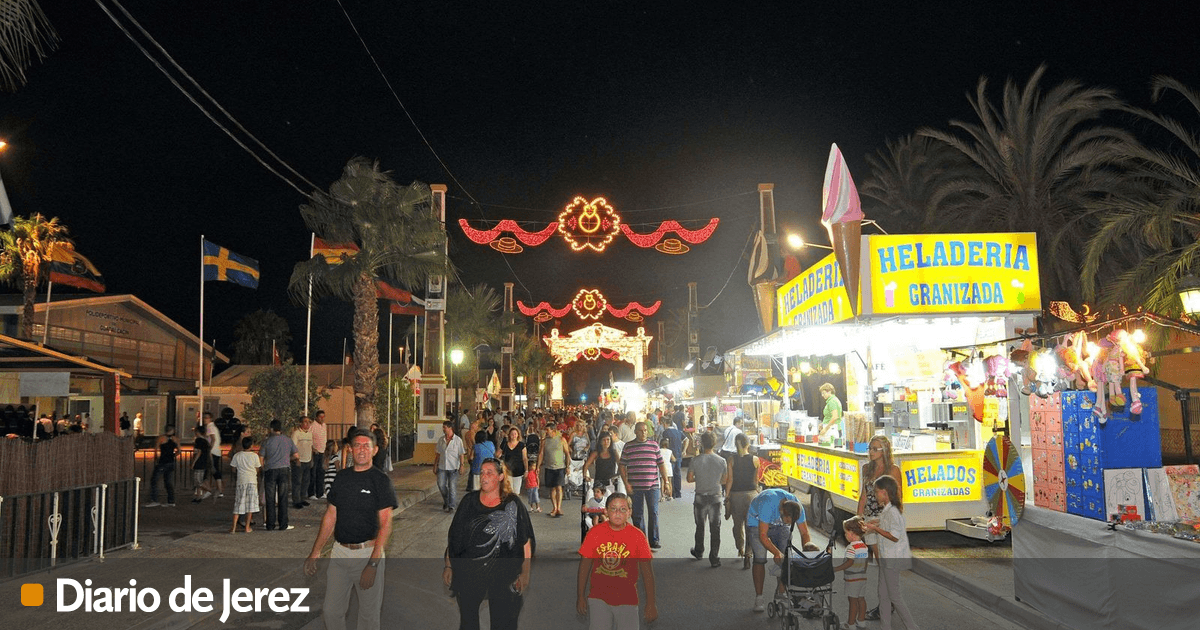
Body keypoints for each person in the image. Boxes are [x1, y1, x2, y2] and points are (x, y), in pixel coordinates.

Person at [305, 429, 399, 630]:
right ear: (350, 449)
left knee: (368, 616)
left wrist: (372, 565)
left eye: (367, 445)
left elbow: (385, 524)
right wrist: (316, 550)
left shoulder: (381, 481)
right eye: (357, 445)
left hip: (367, 553)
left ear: (375, 450)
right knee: (331, 611)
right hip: (340, 553)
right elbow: (331, 516)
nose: (362, 449)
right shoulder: (342, 478)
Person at [444, 458, 534, 630]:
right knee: (468, 622)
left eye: (489, 473)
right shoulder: (468, 502)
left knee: (503, 621)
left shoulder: (513, 504)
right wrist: (449, 565)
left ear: (500, 477)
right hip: (469, 572)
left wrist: (525, 573)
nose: (483, 476)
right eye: (482, 472)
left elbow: (525, 541)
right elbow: (455, 536)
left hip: (503, 574)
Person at [577, 493, 657, 629]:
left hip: (628, 599)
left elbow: (647, 571)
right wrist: (580, 596)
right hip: (598, 597)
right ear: (606, 511)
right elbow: (584, 566)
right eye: (613, 509)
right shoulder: (595, 534)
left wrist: (651, 603)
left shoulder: (638, 537)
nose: (618, 513)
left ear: (630, 512)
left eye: (623, 509)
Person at [863, 475, 919, 630]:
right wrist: (875, 523)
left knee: (894, 596)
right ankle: (885, 626)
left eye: (877, 492)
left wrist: (875, 528)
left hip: (892, 559)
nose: (875, 495)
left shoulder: (893, 512)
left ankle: (911, 626)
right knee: (883, 594)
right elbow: (885, 523)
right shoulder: (888, 510)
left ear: (885, 492)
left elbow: (894, 536)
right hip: (886, 558)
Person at [858, 435, 903, 621]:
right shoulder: (866, 469)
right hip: (870, 520)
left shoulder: (893, 470)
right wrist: (858, 518)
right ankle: (888, 602)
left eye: (875, 448)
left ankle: (888, 602)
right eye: (870, 448)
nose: (871, 452)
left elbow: (899, 498)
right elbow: (863, 495)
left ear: (884, 451)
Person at [746, 487, 810, 612]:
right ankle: (759, 597)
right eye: (789, 521)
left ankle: (781, 592)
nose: (791, 524)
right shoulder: (767, 504)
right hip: (757, 522)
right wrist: (776, 552)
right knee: (760, 558)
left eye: (793, 522)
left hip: (780, 526)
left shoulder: (797, 507)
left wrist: (809, 553)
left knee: (786, 557)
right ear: (781, 512)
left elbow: (804, 533)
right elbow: (763, 536)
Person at [617, 421, 672, 550]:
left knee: (653, 512)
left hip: (652, 485)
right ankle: (640, 540)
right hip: (635, 486)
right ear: (635, 432)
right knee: (637, 514)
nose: (644, 433)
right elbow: (622, 466)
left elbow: (661, 464)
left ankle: (654, 540)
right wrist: (626, 484)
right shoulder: (628, 446)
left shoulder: (654, 445)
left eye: (645, 430)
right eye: (641, 430)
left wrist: (666, 482)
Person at [688, 431, 728, 567]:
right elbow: (724, 480)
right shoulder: (722, 461)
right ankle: (714, 557)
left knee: (700, 526)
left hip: (700, 497)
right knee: (715, 528)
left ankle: (699, 551)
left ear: (702, 444)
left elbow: (689, 478)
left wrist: (698, 478)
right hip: (716, 497)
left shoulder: (695, 460)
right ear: (714, 443)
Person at [725, 432, 760, 570]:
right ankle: (748, 554)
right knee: (750, 526)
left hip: (736, 496)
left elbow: (730, 480)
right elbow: (756, 481)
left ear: (735, 444)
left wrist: (727, 496)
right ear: (748, 444)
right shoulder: (755, 459)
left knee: (737, 525)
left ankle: (740, 547)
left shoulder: (731, 460)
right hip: (751, 495)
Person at [261, 419, 299, 530]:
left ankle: (270, 524)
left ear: (271, 429)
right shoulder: (288, 440)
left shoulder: (266, 441)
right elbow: (296, 455)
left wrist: (263, 468)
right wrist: (287, 458)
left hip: (270, 470)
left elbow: (261, 457)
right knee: (283, 498)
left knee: (270, 498)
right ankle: (283, 524)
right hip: (284, 470)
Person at [834, 516, 870, 630]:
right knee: (861, 599)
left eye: (846, 533)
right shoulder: (864, 546)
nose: (845, 535)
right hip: (862, 577)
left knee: (852, 601)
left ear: (851, 533)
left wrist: (836, 568)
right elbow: (866, 562)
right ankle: (861, 620)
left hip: (852, 578)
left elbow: (849, 562)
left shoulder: (851, 547)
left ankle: (850, 623)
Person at [537, 424, 572, 517]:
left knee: (559, 487)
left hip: (560, 467)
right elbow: (541, 454)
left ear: (553, 430)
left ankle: (559, 508)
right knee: (552, 488)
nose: (546, 432)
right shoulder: (544, 441)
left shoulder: (561, 439)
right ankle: (555, 507)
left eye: (547, 430)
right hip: (549, 467)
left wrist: (568, 467)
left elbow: (567, 454)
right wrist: (538, 466)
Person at [434, 420, 467, 512]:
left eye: (445, 427)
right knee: (441, 485)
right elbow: (438, 453)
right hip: (442, 466)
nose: (443, 429)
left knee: (452, 486)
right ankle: (447, 500)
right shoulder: (441, 440)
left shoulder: (457, 440)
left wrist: (462, 465)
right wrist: (435, 465)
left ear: (450, 428)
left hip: (453, 467)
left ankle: (451, 505)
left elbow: (461, 454)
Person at [230, 436, 261, 533]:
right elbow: (257, 468)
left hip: (241, 481)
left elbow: (233, 469)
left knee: (238, 504)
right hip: (252, 481)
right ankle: (247, 527)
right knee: (250, 505)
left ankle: (233, 527)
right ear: (251, 445)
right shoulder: (254, 456)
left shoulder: (237, 455)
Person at [145, 425, 179, 507]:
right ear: (173, 430)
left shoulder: (161, 438)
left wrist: (156, 459)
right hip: (171, 462)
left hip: (163, 462)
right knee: (168, 482)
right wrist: (173, 455)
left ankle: (154, 499)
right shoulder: (175, 439)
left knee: (154, 480)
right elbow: (179, 451)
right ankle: (171, 501)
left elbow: (156, 450)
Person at [292, 416, 315, 509]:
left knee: (306, 481)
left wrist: (312, 459)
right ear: (300, 423)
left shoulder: (310, 434)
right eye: (305, 422)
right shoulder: (296, 433)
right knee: (297, 481)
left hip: (308, 460)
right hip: (299, 461)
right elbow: (293, 448)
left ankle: (302, 498)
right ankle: (296, 501)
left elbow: (311, 447)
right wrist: (297, 459)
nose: (307, 424)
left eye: (309, 422)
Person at [500, 426, 528, 495]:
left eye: (515, 434)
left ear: (518, 434)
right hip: (507, 471)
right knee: (508, 491)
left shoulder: (521, 445)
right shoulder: (505, 444)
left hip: (518, 471)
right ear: (509, 435)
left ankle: (515, 505)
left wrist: (526, 470)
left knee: (516, 492)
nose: (514, 436)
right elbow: (498, 454)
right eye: (512, 434)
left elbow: (525, 458)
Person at [203, 412, 225, 497]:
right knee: (214, 471)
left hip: (212, 452)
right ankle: (218, 490)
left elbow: (213, 439)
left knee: (209, 470)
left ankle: (211, 490)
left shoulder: (210, 427)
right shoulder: (212, 427)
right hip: (215, 451)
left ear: (210, 419)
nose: (205, 419)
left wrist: (209, 450)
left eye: (206, 418)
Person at [661, 418, 684, 499]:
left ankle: (671, 493)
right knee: (677, 474)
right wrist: (684, 451)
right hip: (678, 455)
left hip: (669, 457)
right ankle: (678, 493)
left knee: (670, 476)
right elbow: (686, 439)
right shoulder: (679, 432)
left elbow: (664, 443)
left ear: (666, 424)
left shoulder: (665, 432)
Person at [191, 424, 213, 503]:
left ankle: (209, 490)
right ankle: (198, 497)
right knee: (200, 479)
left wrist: (193, 462)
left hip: (199, 462)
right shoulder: (206, 440)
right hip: (205, 461)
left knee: (197, 481)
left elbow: (198, 452)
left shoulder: (198, 440)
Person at [817, 383, 844, 447]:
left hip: (832, 429)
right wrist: (822, 424)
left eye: (823, 393)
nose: (822, 395)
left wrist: (825, 429)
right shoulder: (832, 401)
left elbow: (835, 417)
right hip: (831, 428)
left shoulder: (832, 401)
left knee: (829, 447)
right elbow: (830, 417)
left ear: (829, 391)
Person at [309, 410, 328, 499]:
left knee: (321, 472)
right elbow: (309, 438)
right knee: (313, 473)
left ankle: (320, 492)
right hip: (315, 452)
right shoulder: (312, 426)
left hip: (322, 451)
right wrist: (313, 448)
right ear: (316, 417)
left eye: (323, 417)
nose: (322, 419)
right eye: (320, 417)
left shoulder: (324, 426)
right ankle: (311, 493)